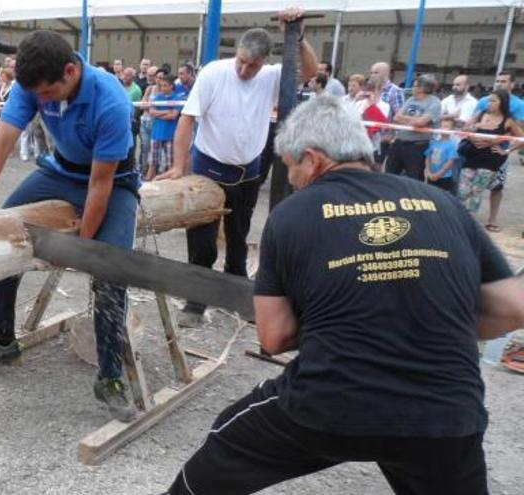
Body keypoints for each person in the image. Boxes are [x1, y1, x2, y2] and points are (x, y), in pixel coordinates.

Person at [164, 95, 524, 495]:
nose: (294, 181)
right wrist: (424, 321)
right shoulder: (444, 203)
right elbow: (512, 308)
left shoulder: (292, 213)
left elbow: (274, 337)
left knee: (219, 454)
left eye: (291, 168)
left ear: (313, 159)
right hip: (445, 414)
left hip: (328, 403)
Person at [0, 30, 140, 422]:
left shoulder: (111, 101)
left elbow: (100, 185)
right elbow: (1, 140)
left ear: (70, 70)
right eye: (38, 96)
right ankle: (0, 338)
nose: (42, 101)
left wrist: (82, 245)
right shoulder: (34, 81)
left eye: (48, 94)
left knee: (111, 270)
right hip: (61, 172)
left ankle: (111, 376)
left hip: (113, 182)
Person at [157, 8, 318, 328]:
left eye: (253, 66)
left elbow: (309, 71)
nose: (245, 69)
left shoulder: (273, 76)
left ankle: (238, 295)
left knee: (238, 237)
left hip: (248, 171)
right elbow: (188, 119)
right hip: (208, 168)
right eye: (241, 61)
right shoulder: (214, 73)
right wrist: (179, 165)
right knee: (201, 241)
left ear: (264, 63)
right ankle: (196, 302)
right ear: (237, 53)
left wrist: (297, 37)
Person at [469, 72, 524, 232]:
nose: (499, 83)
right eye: (498, 81)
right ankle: (466, 217)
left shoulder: (519, 105)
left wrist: (506, 149)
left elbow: (519, 133)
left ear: (512, 84)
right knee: (467, 185)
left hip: (497, 155)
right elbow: (470, 124)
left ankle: (492, 220)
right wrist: (473, 138)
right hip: (476, 151)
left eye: (504, 81)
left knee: (496, 187)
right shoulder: (483, 101)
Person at [457, 89, 523, 215]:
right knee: (463, 191)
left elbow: (521, 138)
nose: (489, 103)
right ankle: (459, 216)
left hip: (490, 161)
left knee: (476, 190)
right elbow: (464, 129)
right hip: (472, 157)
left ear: (502, 102)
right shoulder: (481, 114)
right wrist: (472, 135)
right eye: (489, 100)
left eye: (493, 100)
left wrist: (506, 150)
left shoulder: (508, 120)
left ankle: (470, 220)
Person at [386, 74, 441, 181]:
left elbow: (421, 122)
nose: (412, 88)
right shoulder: (411, 99)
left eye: (415, 86)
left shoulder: (434, 102)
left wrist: (407, 119)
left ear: (422, 88)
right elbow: (397, 117)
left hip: (417, 147)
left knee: (414, 178)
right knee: (390, 175)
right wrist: (413, 120)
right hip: (399, 142)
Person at [146, 77, 180, 181]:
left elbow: (173, 116)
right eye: (161, 86)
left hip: (170, 134)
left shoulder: (177, 98)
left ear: (171, 86)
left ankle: (170, 184)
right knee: (153, 162)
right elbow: (151, 112)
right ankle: (148, 181)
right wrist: (166, 112)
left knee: (170, 162)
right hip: (156, 133)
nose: (162, 88)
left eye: (165, 85)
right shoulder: (157, 97)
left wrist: (158, 114)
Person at [370, 61, 405, 164]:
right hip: (367, 136)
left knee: (377, 166)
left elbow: (399, 115)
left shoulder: (395, 91)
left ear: (385, 74)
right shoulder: (369, 90)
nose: (372, 75)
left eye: (376, 73)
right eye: (371, 72)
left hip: (383, 137)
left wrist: (391, 134)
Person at [424, 117, 459, 192]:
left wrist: (438, 174)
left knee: (441, 195)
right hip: (431, 175)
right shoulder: (433, 142)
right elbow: (428, 157)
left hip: (444, 177)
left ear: (452, 130)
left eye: (446, 127)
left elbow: (450, 162)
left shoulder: (452, 144)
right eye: (442, 126)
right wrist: (428, 170)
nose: (443, 129)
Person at [139, 66, 161, 175]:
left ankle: (153, 171)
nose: (158, 79)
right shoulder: (149, 89)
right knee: (144, 147)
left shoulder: (164, 92)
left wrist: (150, 108)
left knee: (155, 149)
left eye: (161, 77)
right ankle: (142, 170)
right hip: (144, 122)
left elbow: (161, 108)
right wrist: (152, 108)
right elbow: (142, 105)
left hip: (156, 123)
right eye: (157, 77)